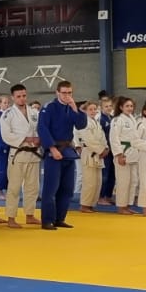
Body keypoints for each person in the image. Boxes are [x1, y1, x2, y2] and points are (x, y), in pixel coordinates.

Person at [37, 79, 87, 230]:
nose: (67, 96)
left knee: (67, 188)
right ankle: (47, 220)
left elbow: (81, 125)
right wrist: (52, 148)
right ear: (57, 92)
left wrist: (75, 108)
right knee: (51, 188)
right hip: (54, 149)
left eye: (69, 93)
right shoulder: (49, 108)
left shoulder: (71, 108)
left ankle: (59, 218)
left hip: (68, 150)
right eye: (64, 93)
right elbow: (42, 128)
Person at [0, 84, 40, 226]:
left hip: (34, 153)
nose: (22, 98)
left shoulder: (34, 112)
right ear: (12, 97)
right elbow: (6, 135)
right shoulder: (7, 114)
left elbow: (41, 129)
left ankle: (30, 215)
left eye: (24, 95)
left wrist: (40, 139)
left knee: (33, 187)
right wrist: (26, 139)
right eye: (18, 96)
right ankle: (11, 218)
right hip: (18, 153)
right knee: (14, 187)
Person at [77, 100, 108, 215]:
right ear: (85, 111)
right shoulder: (84, 122)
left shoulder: (96, 122)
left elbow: (103, 137)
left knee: (97, 181)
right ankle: (84, 205)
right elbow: (89, 140)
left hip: (98, 154)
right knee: (89, 181)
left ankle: (91, 204)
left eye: (95, 109)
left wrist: (105, 148)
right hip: (89, 153)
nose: (93, 111)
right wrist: (101, 150)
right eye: (90, 109)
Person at [110, 95, 138, 214]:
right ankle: (121, 206)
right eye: (127, 106)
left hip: (133, 153)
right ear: (121, 107)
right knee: (123, 181)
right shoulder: (117, 120)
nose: (130, 108)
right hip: (123, 152)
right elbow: (114, 138)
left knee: (133, 181)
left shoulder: (133, 118)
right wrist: (119, 155)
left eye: (131, 106)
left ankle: (128, 204)